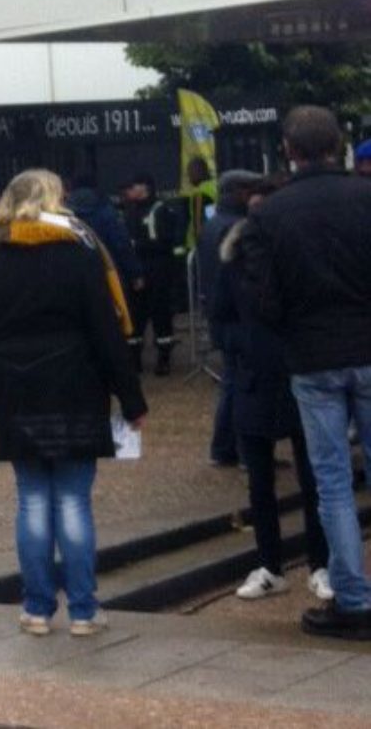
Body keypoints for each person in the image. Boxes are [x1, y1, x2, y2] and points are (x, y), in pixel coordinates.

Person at [0, 169, 147, 638]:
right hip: (75, 389)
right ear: (55, 203)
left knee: (30, 501)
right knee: (72, 501)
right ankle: (84, 610)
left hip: (17, 392)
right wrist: (131, 397)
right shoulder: (79, 258)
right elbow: (106, 334)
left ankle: (37, 608)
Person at [240, 106, 371, 640]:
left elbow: (263, 299)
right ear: (338, 145)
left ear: (288, 152)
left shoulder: (269, 215)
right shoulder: (366, 197)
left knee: (332, 481)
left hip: (312, 356)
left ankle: (354, 597)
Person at [215, 178, 329, 603]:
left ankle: (321, 563)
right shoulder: (233, 259)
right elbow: (219, 317)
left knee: (315, 477)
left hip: (299, 372)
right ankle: (269, 564)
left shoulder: (296, 255)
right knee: (260, 481)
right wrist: (240, 345)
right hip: (255, 376)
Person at [197, 171, 260, 468]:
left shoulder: (211, 225)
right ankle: (247, 452)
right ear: (238, 192)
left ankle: (223, 448)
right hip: (236, 317)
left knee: (231, 382)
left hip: (219, 315)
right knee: (242, 384)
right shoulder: (235, 227)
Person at [122, 173, 186, 376]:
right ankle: (134, 360)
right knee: (136, 316)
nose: (130, 191)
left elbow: (167, 242)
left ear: (145, 188)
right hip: (137, 269)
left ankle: (164, 358)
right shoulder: (130, 211)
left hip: (157, 269)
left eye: (134, 186)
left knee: (160, 314)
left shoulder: (162, 210)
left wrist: (139, 246)